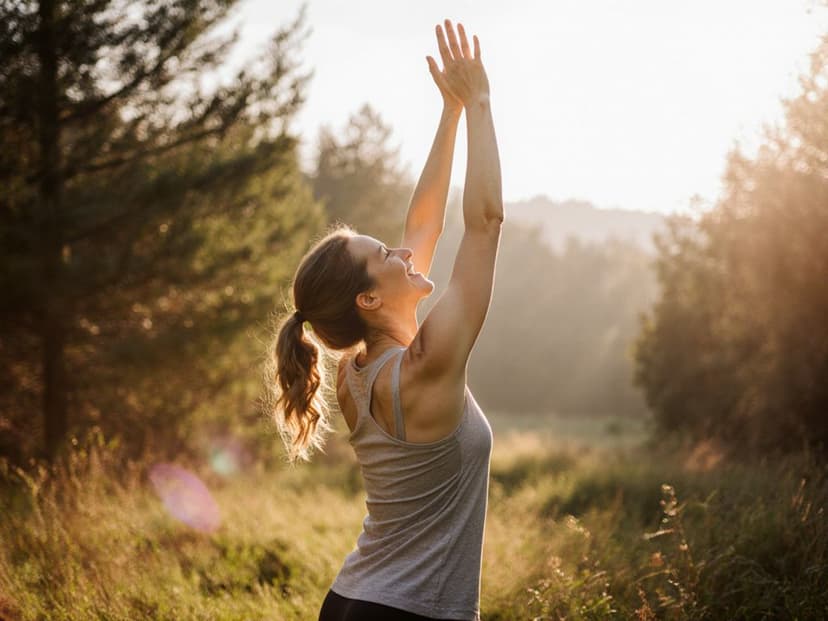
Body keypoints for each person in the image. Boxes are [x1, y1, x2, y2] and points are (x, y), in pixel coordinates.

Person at [265, 18, 502, 621]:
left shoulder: (353, 373)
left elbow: (424, 226)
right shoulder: (426, 366)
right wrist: (478, 103)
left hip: (350, 601)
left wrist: (446, 114)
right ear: (368, 300)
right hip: (406, 613)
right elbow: (484, 224)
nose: (402, 251)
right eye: (383, 256)